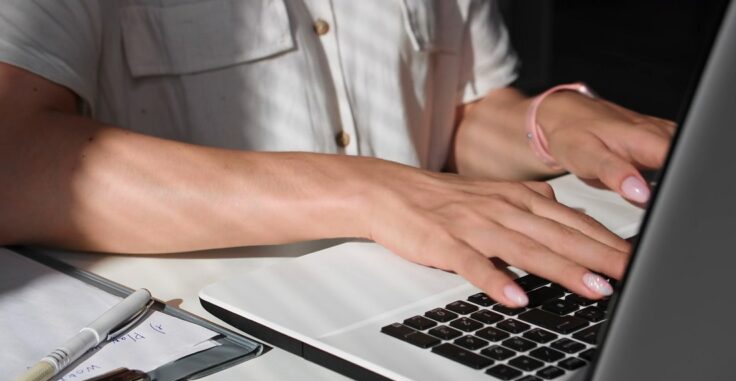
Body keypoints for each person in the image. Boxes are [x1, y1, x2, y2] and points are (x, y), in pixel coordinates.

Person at [0, 0, 674, 308]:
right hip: (210, 347)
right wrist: (369, 193)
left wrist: (541, 121)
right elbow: (13, 157)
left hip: (410, 305)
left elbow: (457, 114)